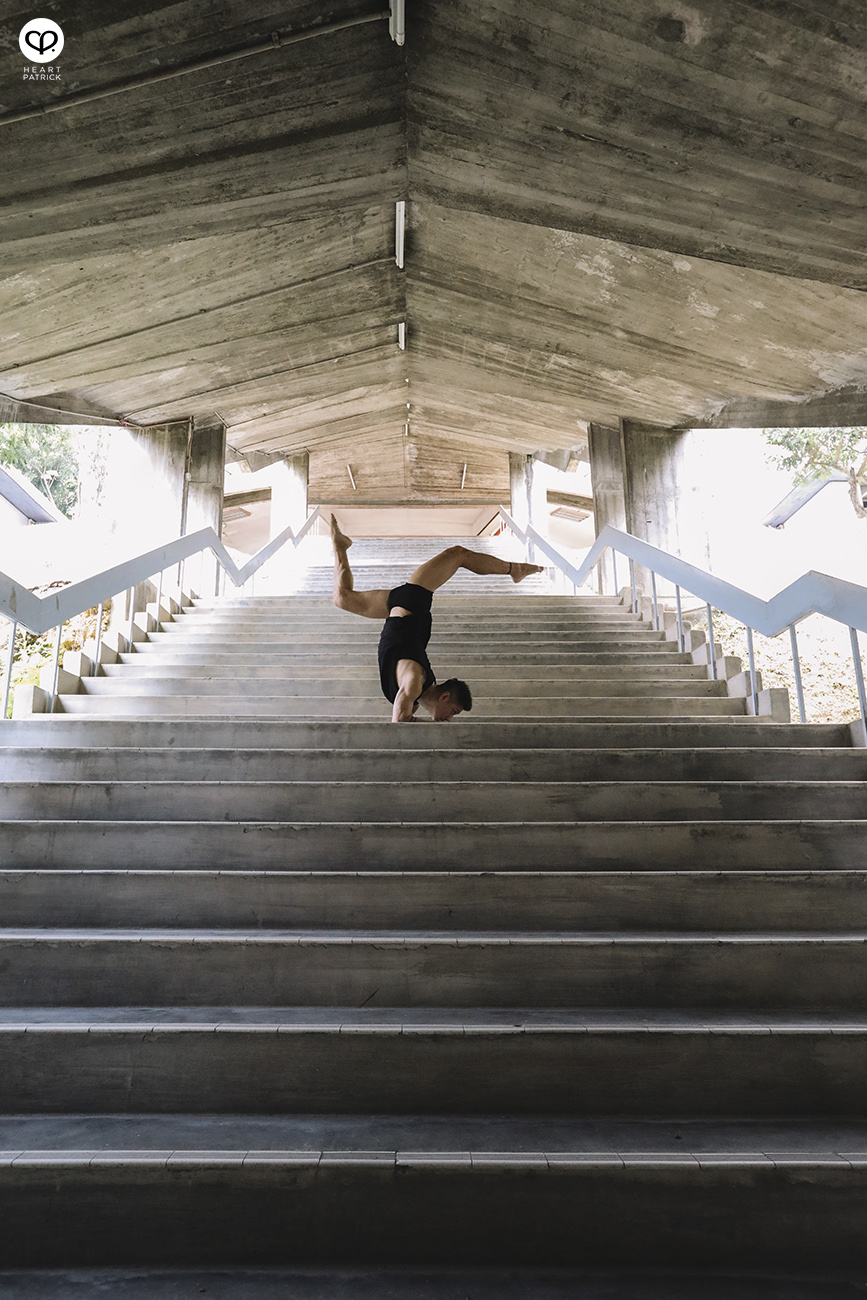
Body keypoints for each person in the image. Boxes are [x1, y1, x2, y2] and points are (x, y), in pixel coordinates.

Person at [330, 515, 543, 722]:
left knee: (342, 598)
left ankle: (340, 547)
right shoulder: (415, 682)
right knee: (458, 554)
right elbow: (400, 722)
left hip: (398, 610)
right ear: (444, 696)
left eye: (453, 714)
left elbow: (400, 722)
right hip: (410, 607)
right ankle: (516, 569)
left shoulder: (413, 694)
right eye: (454, 712)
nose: (449, 718)